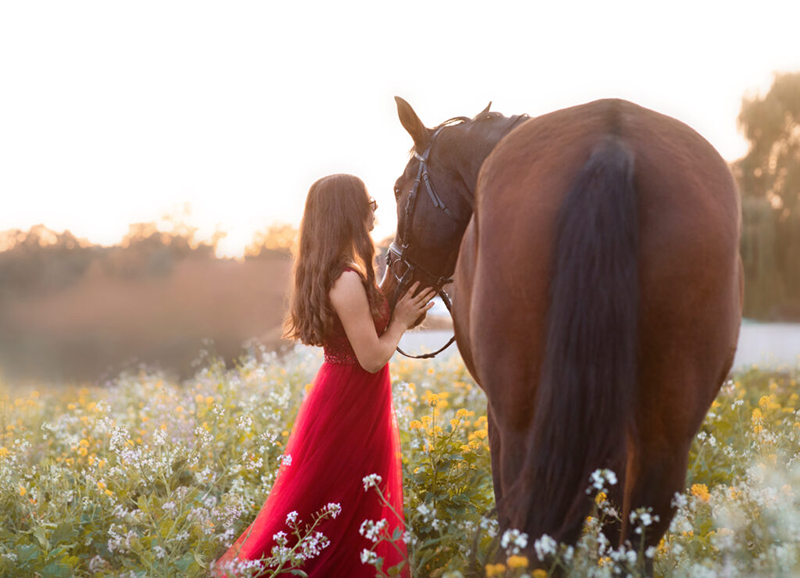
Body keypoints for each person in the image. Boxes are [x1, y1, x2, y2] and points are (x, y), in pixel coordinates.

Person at [213, 174, 434, 577]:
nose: (374, 208)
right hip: (350, 399)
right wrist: (400, 322)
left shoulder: (346, 272)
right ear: (348, 211)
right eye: (369, 201)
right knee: (334, 497)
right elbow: (371, 357)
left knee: (347, 498)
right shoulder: (345, 279)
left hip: (349, 395)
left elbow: (369, 314)